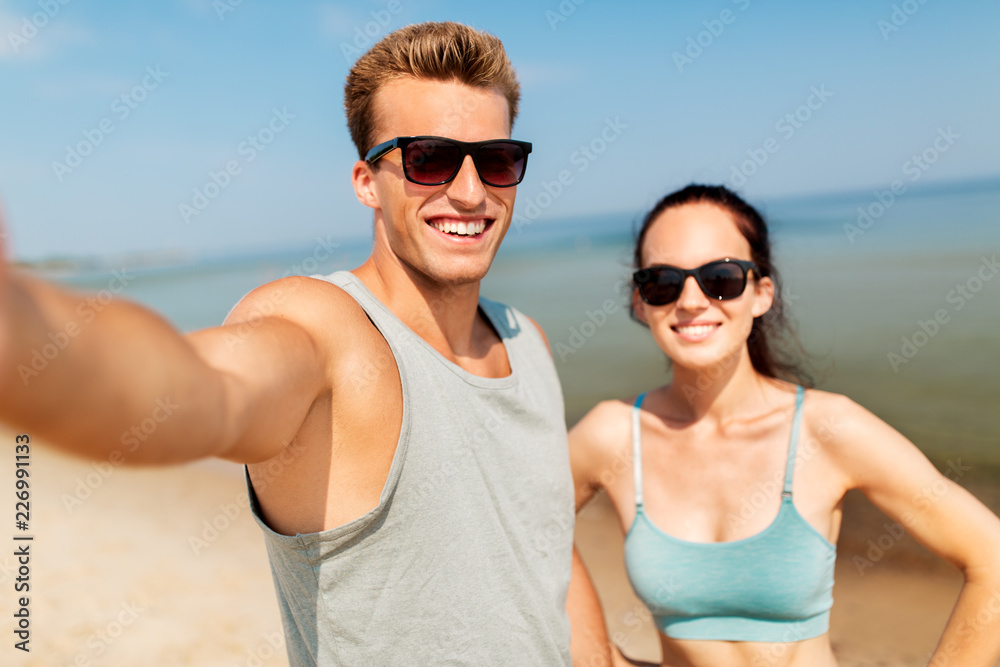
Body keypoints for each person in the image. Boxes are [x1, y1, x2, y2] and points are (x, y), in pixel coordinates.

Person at [0, 21, 614, 666]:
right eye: (428, 159)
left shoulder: (528, 340)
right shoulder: (327, 329)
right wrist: (19, 328)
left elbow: (545, 540)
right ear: (366, 182)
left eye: (496, 160)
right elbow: (200, 389)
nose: (469, 190)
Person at [569, 184, 1000, 666]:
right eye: (664, 282)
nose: (691, 300)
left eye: (721, 277)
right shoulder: (613, 434)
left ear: (761, 294)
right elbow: (515, 533)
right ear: (640, 302)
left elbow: (993, 560)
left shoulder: (827, 428)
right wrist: (596, 654)